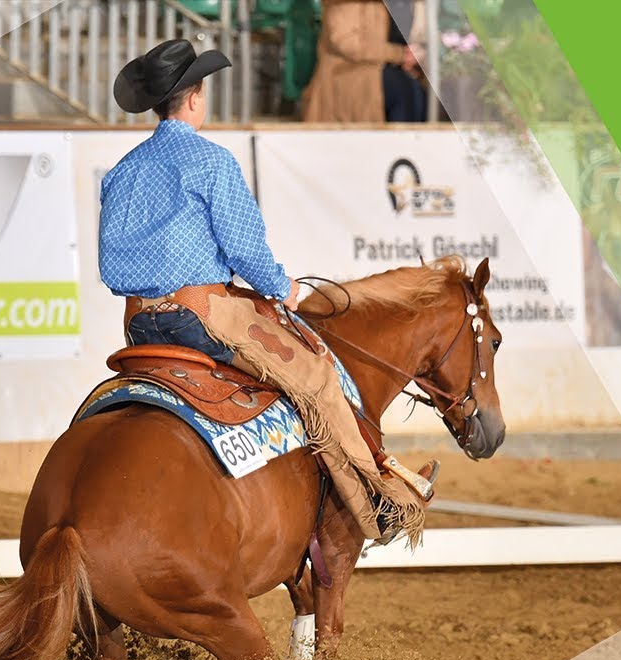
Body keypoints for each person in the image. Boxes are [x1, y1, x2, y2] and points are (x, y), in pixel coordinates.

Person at [103, 39, 434, 545]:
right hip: (202, 317)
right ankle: (377, 506)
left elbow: (110, 268)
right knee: (318, 377)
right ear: (194, 97)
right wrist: (283, 288)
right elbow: (245, 250)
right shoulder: (211, 162)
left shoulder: (121, 172)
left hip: (137, 324)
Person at [302, 0, 426, 123]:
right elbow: (346, 43)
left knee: (419, 92)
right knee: (403, 90)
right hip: (345, 72)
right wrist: (399, 54)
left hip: (385, 68)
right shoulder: (344, 4)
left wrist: (411, 56)